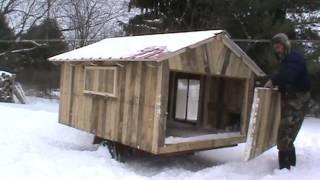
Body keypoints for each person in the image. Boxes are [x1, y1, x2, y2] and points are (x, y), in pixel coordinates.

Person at [264, 33, 311, 170]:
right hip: (292, 98)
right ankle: (289, 166)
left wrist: (273, 80)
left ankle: (285, 169)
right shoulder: (287, 61)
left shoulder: (294, 58)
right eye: (275, 48)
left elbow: (287, 75)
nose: (277, 50)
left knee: (285, 131)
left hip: (299, 99)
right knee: (287, 132)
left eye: (279, 47)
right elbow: (284, 76)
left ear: (285, 45)